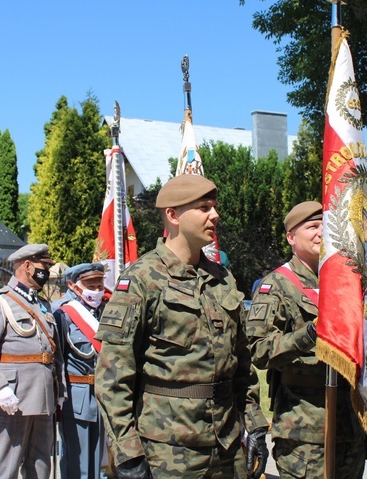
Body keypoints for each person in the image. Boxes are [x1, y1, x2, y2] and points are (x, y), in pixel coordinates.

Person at [95, 174, 269, 478]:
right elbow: (113, 377)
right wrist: (127, 454)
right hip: (169, 451)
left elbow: (242, 364)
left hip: (227, 447)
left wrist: (254, 424)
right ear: (173, 215)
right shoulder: (141, 279)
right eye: (203, 208)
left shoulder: (222, 278)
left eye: (214, 207)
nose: (214, 215)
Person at [247, 201, 366, 478]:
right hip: (303, 428)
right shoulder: (276, 285)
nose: (321, 233)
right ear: (291, 237)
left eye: (325, 226)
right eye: (312, 227)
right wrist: (309, 334)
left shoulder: (344, 282)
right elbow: (260, 350)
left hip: (348, 425)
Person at [0, 243, 65, 479]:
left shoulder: (43, 305)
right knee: (5, 467)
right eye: (44, 266)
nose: (47, 272)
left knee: (41, 466)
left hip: (42, 398)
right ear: (27, 266)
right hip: (12, 398)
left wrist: (59, 391)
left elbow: (54, 353)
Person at [53, 262, 109, 478]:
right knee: (78, 462)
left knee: (98, 460)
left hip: (102, 395)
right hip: (76, 397)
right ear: (74, 286)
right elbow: (58, 360)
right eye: (90, 286)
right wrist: (58, 394)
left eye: (99, 285)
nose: (96, 291)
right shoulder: (64, 314)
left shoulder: (104, 310)